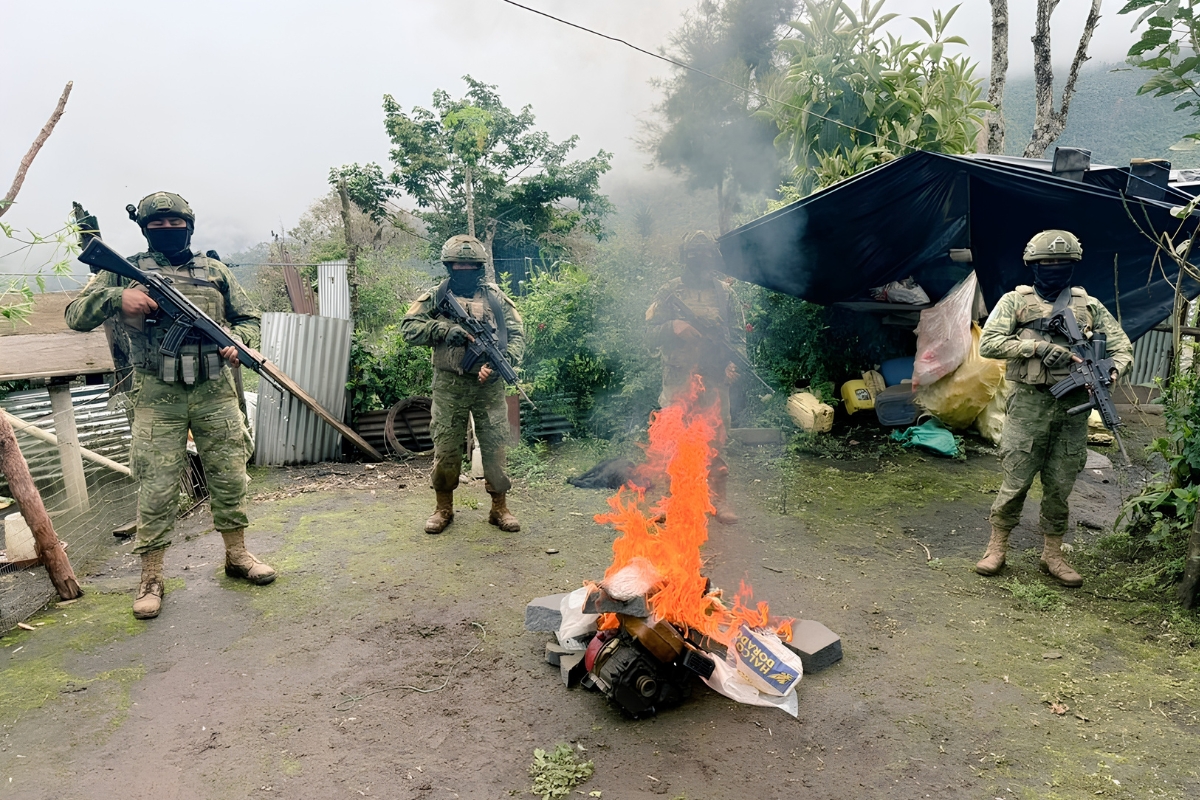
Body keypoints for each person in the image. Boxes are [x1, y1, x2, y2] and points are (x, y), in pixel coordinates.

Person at [65, 191, 275, 619]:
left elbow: (248, 319)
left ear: (189, 226)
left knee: (229, 475)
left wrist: (241, 344)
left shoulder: (215, 270)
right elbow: (74, 315)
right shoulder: (124, 272)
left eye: (173, 223)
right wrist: (116, 300)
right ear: (144, 229)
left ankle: (237, 556)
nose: (167, 230)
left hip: (216, 392)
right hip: (157, 396)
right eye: (157, 224)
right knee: (157, 487)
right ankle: (151, 577)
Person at [976, 229, 1133, 587]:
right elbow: (989, 343)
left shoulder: (1089, 306)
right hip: (1029, 405)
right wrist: (1035, 349)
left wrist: (1110, 370)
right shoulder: (1015, 303)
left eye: (1063, 264)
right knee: (1015, 481)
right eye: (1048, 263)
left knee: (1061, 485)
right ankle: (997, 547)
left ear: (1074, 266)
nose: (1055, 269)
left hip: (1073, 409)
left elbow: (1123, 349)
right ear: (1033, 265)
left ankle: (1052, 554)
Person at [400, 234, 526, 535]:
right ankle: (443, 508)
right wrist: (441, 329)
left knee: (495, 448)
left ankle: (499, 507)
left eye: (471, 268)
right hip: (449, 385)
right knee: (446, 449)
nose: (465, 272)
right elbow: (408, 328)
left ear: (480, 268)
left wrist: (501, 362)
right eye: (459, 267)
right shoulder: (436, 296)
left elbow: (518, 334)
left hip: (489, 387)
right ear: (449, 268)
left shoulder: (495, 298)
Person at [645, 230, 740, 524]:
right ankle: (668, 500)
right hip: (678, 379)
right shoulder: (669, 293)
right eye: (694, 254)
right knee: (671, 441)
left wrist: (734, 363)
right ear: (684, 257)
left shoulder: (726, 294)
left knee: (715, 441)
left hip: (713, 379)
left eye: (706, 253)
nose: (700, 259)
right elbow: (646, 334)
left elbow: (737, 338)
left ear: (714, 256)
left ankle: (717, 500)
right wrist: (673, 326)